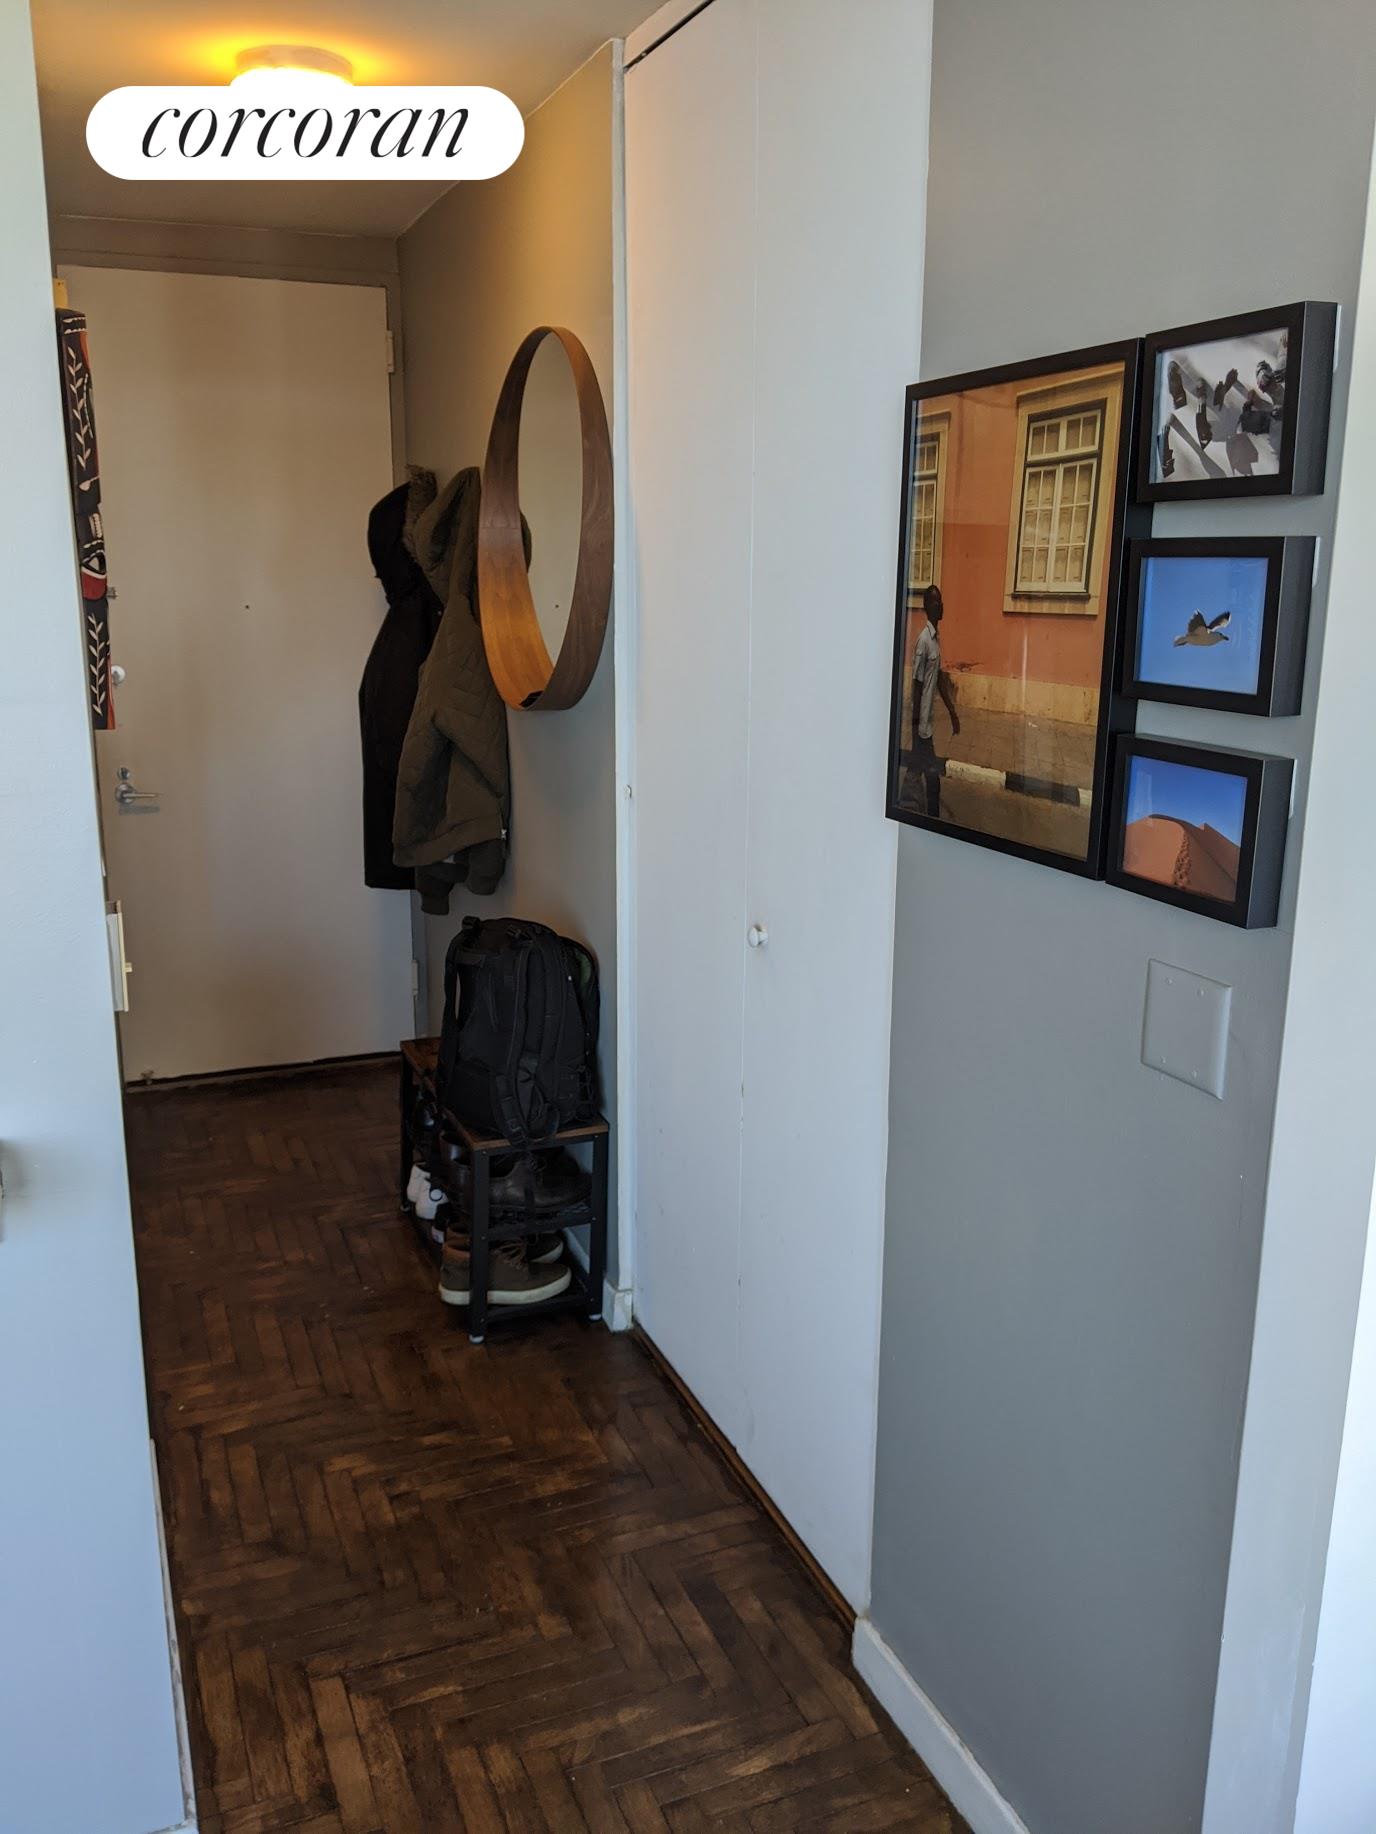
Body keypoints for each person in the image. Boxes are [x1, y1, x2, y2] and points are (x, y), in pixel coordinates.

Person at [907, 583, 961, 818]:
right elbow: (917, 685)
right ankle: (932, 818)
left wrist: (952, 711)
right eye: (936, 601)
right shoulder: (924, 641)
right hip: (922, 724)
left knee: (915, 769)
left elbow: (937, 678)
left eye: (941, 601)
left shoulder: (935, 640)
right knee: (932, 777)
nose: (941, 605)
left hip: (926, 721)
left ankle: (908, 805)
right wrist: (917, 723)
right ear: (927, 607)